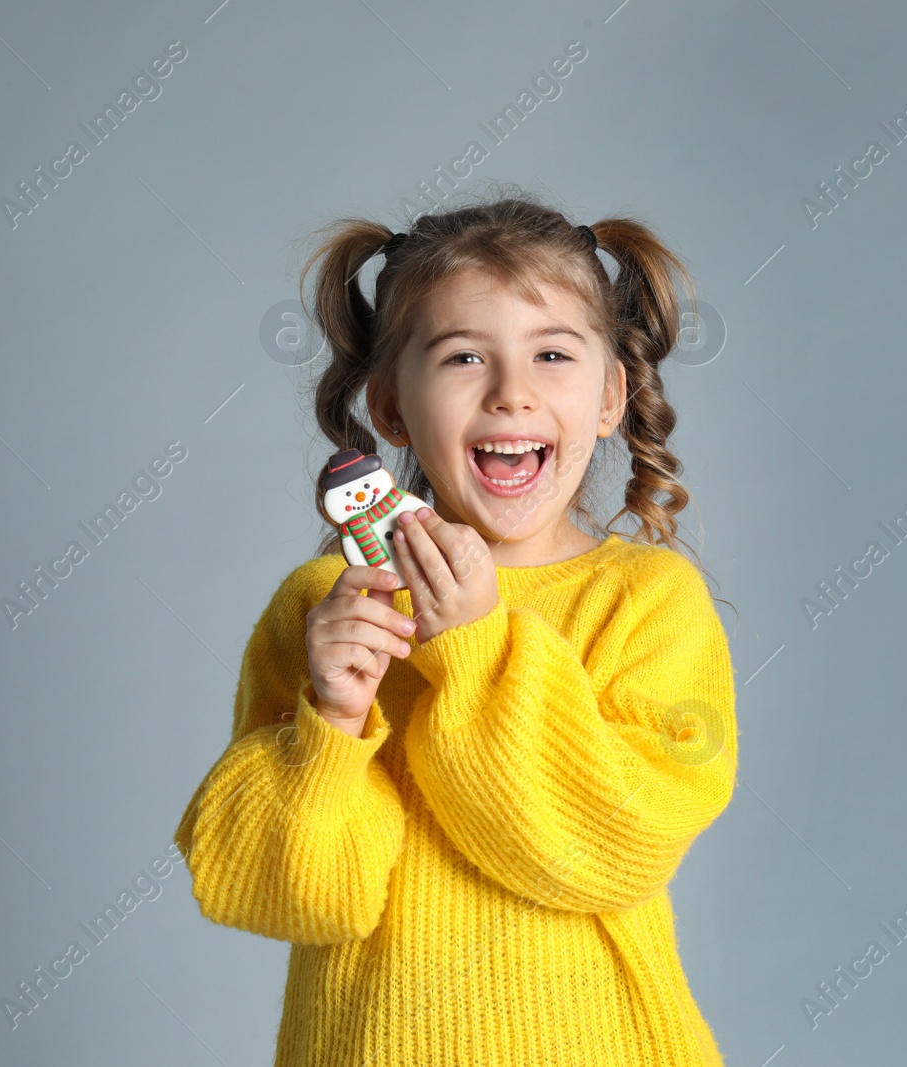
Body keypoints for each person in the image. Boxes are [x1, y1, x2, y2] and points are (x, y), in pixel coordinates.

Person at [173, 189, 738, 1066]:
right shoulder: (330, 606)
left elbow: (615, 847)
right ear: (392, 407)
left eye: (553, 353)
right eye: (464, 357)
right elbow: (282, 893)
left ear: (610, 396)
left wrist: (479, 650)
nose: (513, 395)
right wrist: (330, 725)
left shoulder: (647, 601)